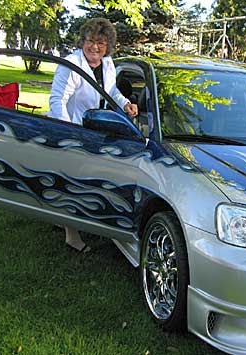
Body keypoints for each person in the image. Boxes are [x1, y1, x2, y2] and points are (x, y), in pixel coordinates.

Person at [49, 17, 138, 252]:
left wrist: (126, 102)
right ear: (82, 41)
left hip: (95, 131)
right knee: (72, 182)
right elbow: (58, 100)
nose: (95, 47)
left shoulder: (108, 64)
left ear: (108, 45)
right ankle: (72, 235)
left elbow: (110, 90)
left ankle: (72, 220)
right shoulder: (71, 64)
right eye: (90, 41)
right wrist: (66, 131)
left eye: (101, 42)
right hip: (72, 130)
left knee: (87, 180)